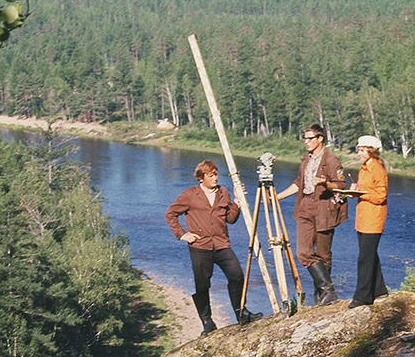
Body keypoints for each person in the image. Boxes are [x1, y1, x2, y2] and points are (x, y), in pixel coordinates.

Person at [165, 160, 263, 335]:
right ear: (201, 178)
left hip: (221, 244)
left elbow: (230, 219)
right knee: (202, 285)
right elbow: (170, 214)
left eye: (216, 174)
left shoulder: (223, 192)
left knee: (237, 276)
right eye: (211, 175)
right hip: (200, 247)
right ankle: (207, 322)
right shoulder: (189, 195)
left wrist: (237, 202)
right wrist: (183, 235)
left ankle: (241, 313)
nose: (215, 178)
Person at [276, 124, 348, 305]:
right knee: (303, 252)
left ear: (320, 138)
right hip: (306, 205)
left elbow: (340, 185)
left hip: (325, 208)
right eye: (305, 138)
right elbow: (299, 183)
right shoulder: (305, 160)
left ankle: (322, 297)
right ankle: (328, 290)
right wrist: (277, 197)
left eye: (310, 138)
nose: (306, 142)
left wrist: (325, 184)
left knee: (324, 255)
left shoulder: (332, 160)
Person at [349, 135, 389, 308]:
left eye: (363, 150)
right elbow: (366, 190)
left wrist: (362, 193)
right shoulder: (364, 168)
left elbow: (381, 196)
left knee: (364, 258)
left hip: (373, 218)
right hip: (363, 218)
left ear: (372, 151)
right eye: (359, 149)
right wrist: (354, 190)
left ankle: (363, 296)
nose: (359, 153)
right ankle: (379, 289)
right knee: (370, 254)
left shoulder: (377, 169)